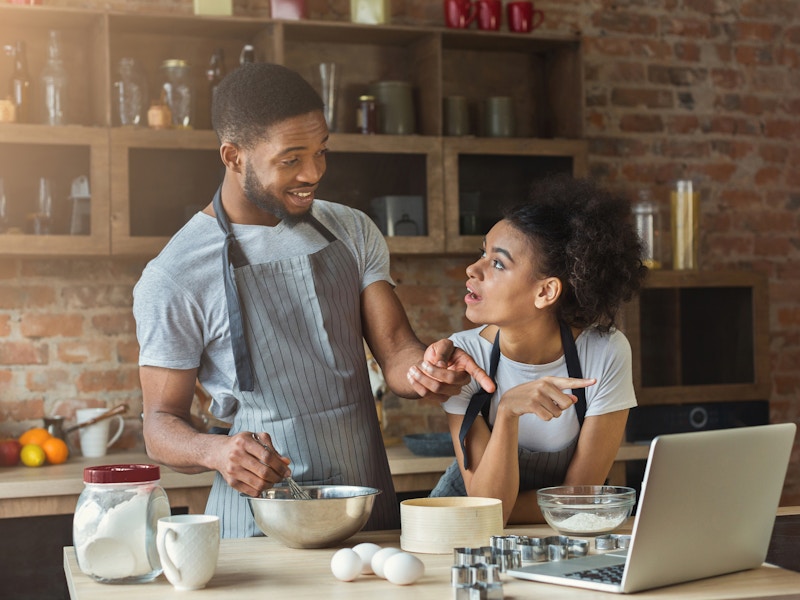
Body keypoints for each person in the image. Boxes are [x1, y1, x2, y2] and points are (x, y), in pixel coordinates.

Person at [133, 63, 492, 538]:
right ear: (233, 156)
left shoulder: (351, 229)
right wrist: (214, 452)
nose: (313, 173)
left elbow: (397, 351)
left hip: (363, 506)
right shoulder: (175, 275)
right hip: (262, 521)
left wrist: (427, 369)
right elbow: (159, 425)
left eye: (321, 152)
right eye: (291, 159)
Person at [430, 175, 647, 525]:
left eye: (497, 263)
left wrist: (517, 508)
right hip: (462, 531)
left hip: (558, 532)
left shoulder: (604, 352)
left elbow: (582, 495)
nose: (473, 269)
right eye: (482, 253)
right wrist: (508, 413)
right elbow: (487, 510)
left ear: (546, 292)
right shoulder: (465, 358)